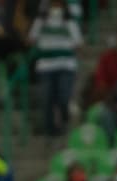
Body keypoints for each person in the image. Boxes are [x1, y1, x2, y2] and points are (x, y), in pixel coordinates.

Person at [28, 0, 82, 136]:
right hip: (45, 66)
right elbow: (31, 40)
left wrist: (62, 49)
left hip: (66, 65)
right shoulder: (40, 21)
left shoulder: (70, 21)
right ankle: (50, 131)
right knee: (47, 99)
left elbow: (79, 44)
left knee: (64, 97)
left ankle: (64, 121)